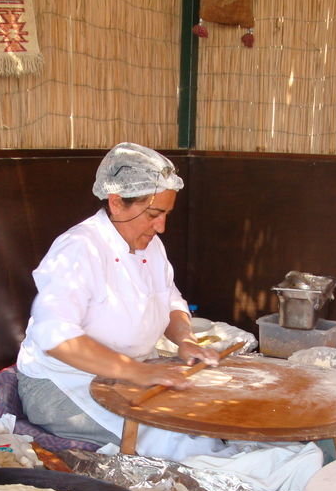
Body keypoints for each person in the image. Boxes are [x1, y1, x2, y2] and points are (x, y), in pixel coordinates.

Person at [16, 142, 230, 460]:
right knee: (174, 442)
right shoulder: (79, 248)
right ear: (116, 202)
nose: (162, 227)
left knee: (208, 415)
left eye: (166, 215)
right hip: (66, 382)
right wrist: (137, 373)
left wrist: (186, 341)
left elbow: (171, 300)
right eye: (154, 214)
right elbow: (55, 336)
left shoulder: (151, 244)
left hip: (131, 374)